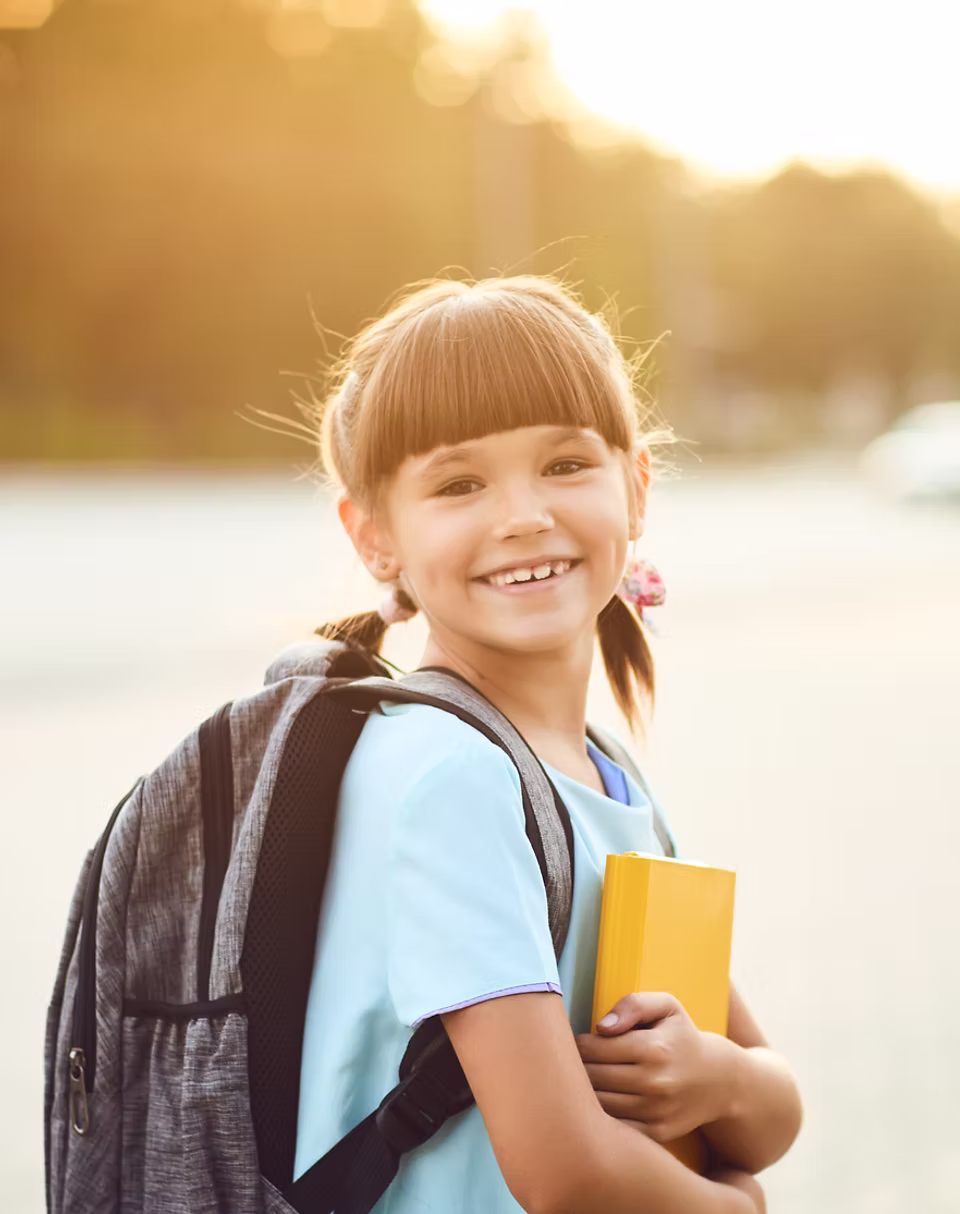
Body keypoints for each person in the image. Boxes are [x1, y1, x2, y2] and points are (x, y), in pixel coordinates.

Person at [293, 276, 802, 1214]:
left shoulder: (607, 777)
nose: (523, 513)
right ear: (374, 537)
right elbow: (568, 1174)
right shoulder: (449, 780)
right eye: (459, 484)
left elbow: (771, 1110)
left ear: (636, 486)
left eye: (565, 465)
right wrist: (742, 1207)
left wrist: (713, 1078)